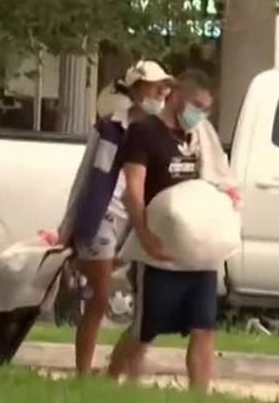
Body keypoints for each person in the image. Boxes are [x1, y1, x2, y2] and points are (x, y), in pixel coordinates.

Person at [107, 69, 238, 392]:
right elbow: (133, 191)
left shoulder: (197, 138)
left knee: (203, 327)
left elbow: (215, 178)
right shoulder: (144, 133)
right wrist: (147, 237)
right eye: (196, 105)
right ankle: (108, 382)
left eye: (206, 108)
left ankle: (199, 395)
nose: (200, 114)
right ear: (176, 96)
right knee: (145, 330)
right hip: (159, 251)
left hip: (197, 251)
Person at [57, 60, 172, 375]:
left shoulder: (159, 130)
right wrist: (68, 225)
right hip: (105, 214)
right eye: (153, 86)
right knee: (100, 294)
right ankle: (83, 370)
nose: (160, 92)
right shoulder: (110, 128)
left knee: (145, 295)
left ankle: (123, 367)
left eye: (163, 86)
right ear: (136, 90)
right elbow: (87, 176)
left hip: (139, 219)